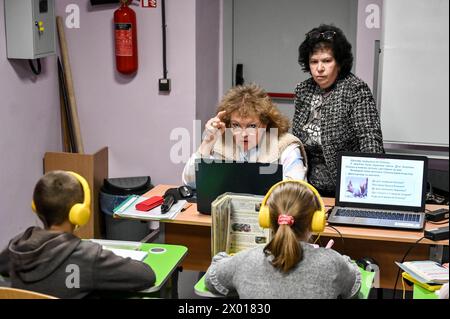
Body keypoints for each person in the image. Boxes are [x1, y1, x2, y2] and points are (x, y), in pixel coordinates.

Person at [0, 170, 155, 298]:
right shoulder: (87, 256)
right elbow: (146, 276)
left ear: (36, 207)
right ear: (79, 213)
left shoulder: (17, 246)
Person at [204, 181, 361, 298]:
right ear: (315, 222)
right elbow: (353, 289)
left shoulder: (245, 260)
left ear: (266, 219)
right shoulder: (332, 263)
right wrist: (343, 261)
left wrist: (224, 259)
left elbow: (212, 281)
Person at [292, 24, 384, 196]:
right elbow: (296, 141)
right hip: (308, 188)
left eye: (327, 61)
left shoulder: (355, 89)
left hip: (349, 188)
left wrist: (368, 189)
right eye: (314, 62)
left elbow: (370, 139)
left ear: (339, 63)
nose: (319, 68)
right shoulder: (303, 90)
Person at [182, 84, 307, 188]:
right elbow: (190, 182)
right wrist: (207, 142)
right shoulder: (221, 141)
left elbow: (297, 191)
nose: (243, 134)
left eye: (251, 126)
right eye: (236, 125)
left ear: (265, 124)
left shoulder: (285, 146)